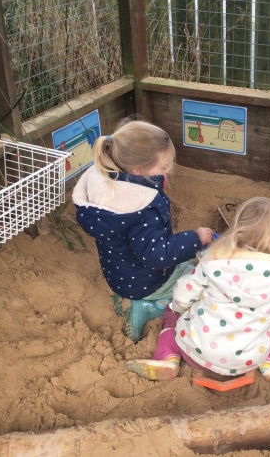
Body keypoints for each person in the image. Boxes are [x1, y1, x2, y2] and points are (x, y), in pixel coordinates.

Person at [124, 197, 270, 382]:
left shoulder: (213, 261)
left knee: (171, 316)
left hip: (196, 352)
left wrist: (178, 307)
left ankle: (167, 355)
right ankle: (269, 361)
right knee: (262, 322)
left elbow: (184, 291)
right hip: (248, 360)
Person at [72, 118, 214, 342]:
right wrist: (194, 238)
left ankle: (127, 298)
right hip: (147, 282)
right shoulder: (143, 208)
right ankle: (149, 306)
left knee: (186, 259)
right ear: (138, 170)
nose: (167, 172)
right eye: (163, 167)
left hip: (120, 276)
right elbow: (157, 256)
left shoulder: (108, 186)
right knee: (201, 280)